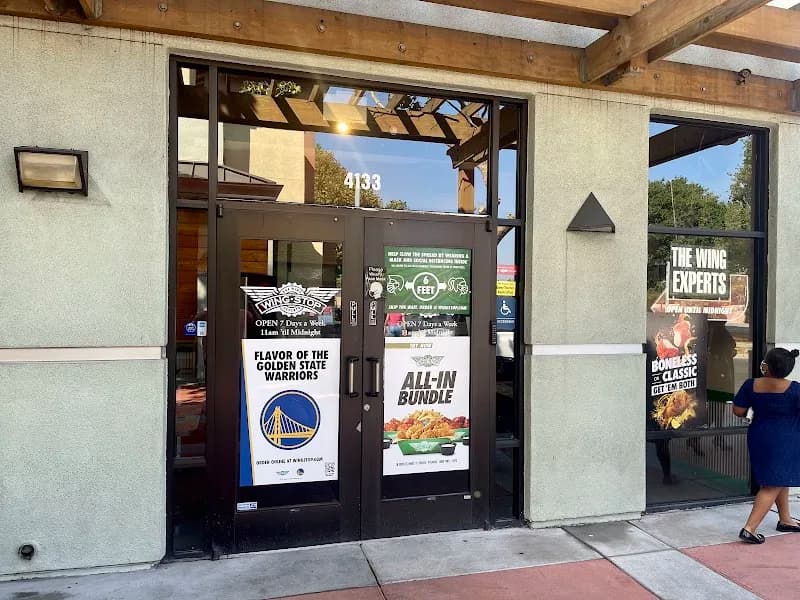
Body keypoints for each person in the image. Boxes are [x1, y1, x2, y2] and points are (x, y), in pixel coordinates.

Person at [733, 347, 800, 544]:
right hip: (786, 439)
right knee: (773, 483)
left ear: (766, 365)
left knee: (779, 478)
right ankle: (750, 528)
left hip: (759, 436)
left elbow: (738, 410)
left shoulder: (751, 385)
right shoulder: (795, 389)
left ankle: (785, 519)